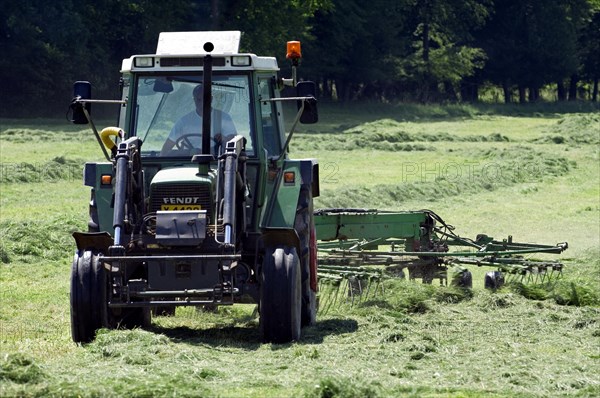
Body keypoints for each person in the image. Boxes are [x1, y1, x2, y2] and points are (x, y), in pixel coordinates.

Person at [161, 85, 237, 155]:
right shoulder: (184, 122)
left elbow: (233, 143)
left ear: (211, 99)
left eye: (205, 99)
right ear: (194, 100)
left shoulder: (223, 118)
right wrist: (191, 152)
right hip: (188, 163)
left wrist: (224, 139)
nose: (202, 103)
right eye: (199, 100)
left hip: (215, 162)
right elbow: (166, 149)